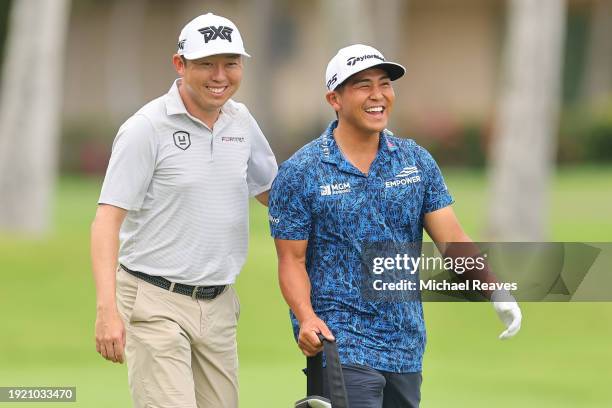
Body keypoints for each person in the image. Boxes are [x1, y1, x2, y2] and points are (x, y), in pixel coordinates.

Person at [268, 44, 522, 408]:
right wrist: (306, 317)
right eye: (362, 86)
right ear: (334, 99)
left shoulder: (415, 161)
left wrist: (495, 290)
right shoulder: (301, 172)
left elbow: (452, 239)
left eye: (384, 84)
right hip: (340, 342)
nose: (377, 96)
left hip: (405, 343)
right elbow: (291, 260)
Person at [91, 13, 277, 408]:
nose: (220, 75)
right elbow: (107, 220)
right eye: (206, 63)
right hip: (154, 299)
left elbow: (272, 193)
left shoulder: (240, 121)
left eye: (230, 63)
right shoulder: (146, 127)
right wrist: (107, 311)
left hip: (220, 304)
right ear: (180, 65)